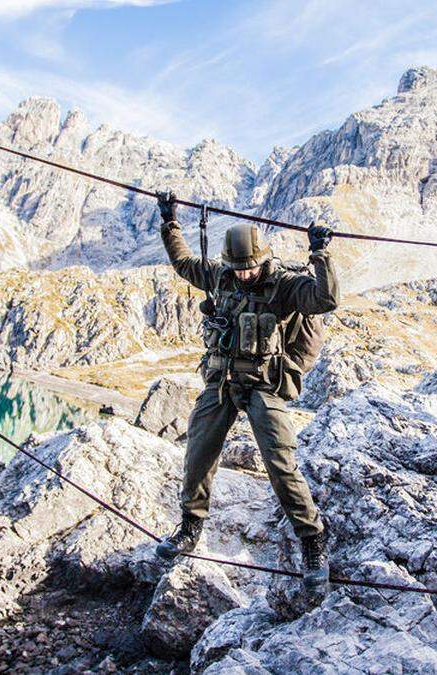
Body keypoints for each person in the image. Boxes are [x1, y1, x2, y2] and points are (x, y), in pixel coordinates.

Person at [153, 192, 338, 591]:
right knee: (198, 451)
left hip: (262, 386)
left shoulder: (286, 286)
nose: (243, 274)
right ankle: (190, 526)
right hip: (220, 382)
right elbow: (185, 264)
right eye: (238, 268)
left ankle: (313, 541)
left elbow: (325, 299)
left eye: (250, 268)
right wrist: (170, 222)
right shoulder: (222, 275)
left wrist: (320, 254)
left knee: (279, 462)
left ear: (264, 259)